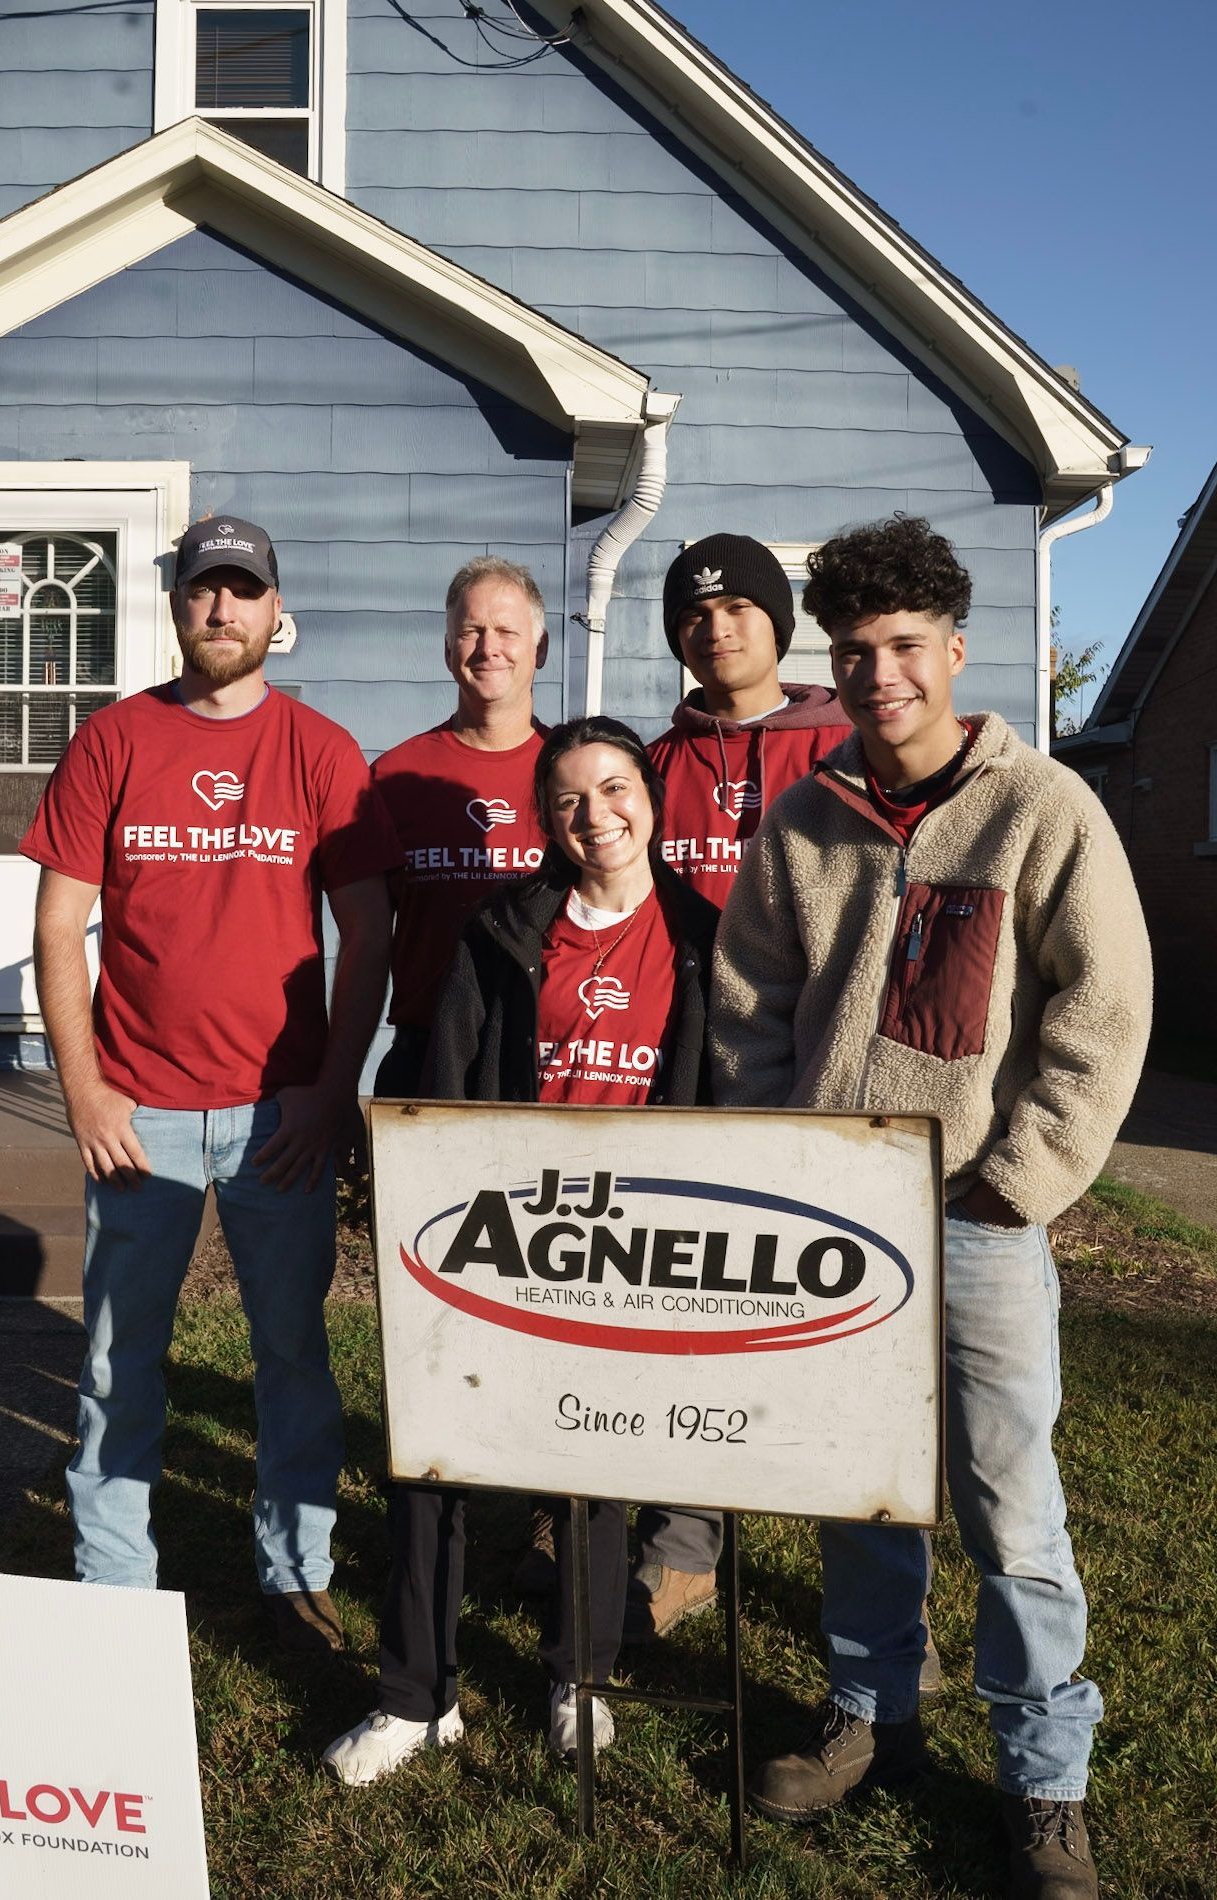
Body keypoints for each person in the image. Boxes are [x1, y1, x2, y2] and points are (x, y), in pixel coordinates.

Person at [710, 515, 1151, 1898]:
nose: (880, 672)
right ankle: (871, 1711)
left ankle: (1044, 1781)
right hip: (835, 1219)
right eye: (855, 650)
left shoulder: (1044, 810)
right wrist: (782, 1168)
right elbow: (748, 1008)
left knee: (1011, 1508)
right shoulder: (802, 820)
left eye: (905, 645)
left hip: (977, 1222)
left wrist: (1019, 1176)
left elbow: (1106, 1005)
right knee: (865, 1488)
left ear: (955, 651)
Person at [22, 514, 399, 1655]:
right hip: (139, 1113)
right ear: (178, 607)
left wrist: (332, 1095)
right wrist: (84, 1092)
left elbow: (369, 934)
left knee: (291, 1350)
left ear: (274, 611)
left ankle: (295, 1577)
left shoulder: (322, 750)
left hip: (278, 1112)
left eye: (243, 591)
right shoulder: (115, 739)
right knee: (117, 1359)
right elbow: (58, 923)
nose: (222, 610)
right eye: (203, 591)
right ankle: (113, 1593)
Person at [322, 717, 720, 1784]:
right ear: (547, 820)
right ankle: (416, 1694)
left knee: (590, 1465)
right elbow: (447, 1084)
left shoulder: (705, 936)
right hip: (504, 1232)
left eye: (616, 787)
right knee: (433, 1458)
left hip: (634, 1246)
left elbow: (730, 1099)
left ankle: (576, 1679)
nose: (598, 815)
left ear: (651, 795)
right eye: (570, 800)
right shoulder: (504, 929)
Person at [627, 534, 852, 1643]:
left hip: (821, 1066)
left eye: (738, 609)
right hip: (688, 1068)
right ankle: (683, 1545)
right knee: (687, 1307)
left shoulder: (846, 745)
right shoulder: (656, 764)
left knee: (827, 1320)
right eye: (695, 614)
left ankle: (862, 1571)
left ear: (780, 620)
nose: (716, 628)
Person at [370, 556, 549, 1097]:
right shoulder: (394, 777)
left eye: (506, 631)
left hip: (543, 1052)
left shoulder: (575, 776)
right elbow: (365, 942)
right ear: (448, 650)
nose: (488, 648)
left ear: (539, 650)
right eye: (470, 631)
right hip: (424, 1056)